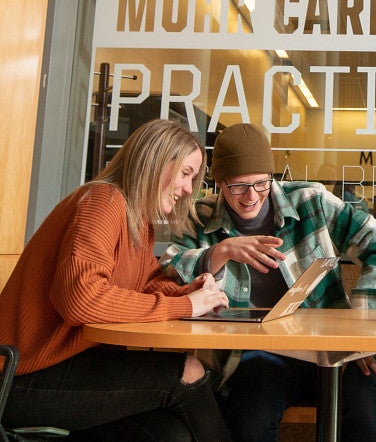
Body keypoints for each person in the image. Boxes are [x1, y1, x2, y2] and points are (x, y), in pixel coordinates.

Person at [160, 122, 376, 441]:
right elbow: (168, 272)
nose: (251, 196)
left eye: (261, 183)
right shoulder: (201, 216)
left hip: (332, 348)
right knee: (251, 420)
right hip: (259, 356)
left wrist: (363, 325)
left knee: (365, 416)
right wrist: (218, 253)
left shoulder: (310, 200)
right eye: (238, 186)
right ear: (219, 182)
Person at [0, 119, 232, 441]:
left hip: (63, 365)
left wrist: (186, 292)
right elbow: (81, 299)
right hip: (20, 378)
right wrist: (184, 305)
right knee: (188, 372)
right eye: (185, 173)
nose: (189, 189)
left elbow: (143, 282)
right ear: (154, 163)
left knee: (169, 434)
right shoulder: (103, 201)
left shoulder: (137, 219)